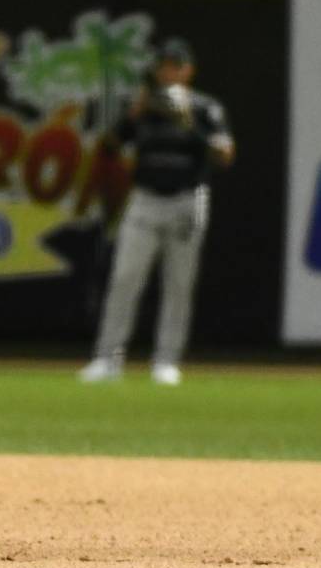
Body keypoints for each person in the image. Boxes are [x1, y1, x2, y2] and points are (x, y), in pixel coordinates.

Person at [79, 39, 234, 386]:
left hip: (186, 200)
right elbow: (108, 147)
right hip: (145, 200)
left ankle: (166, 361)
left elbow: (224, 157)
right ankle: (108, 359)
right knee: (124, 279)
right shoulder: (145, 107)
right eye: (163, 64)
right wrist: (129, 117)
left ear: (188, 70)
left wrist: (189, 125)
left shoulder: (204, 108)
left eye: (175, 65)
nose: (168, 71)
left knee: (178, 284)